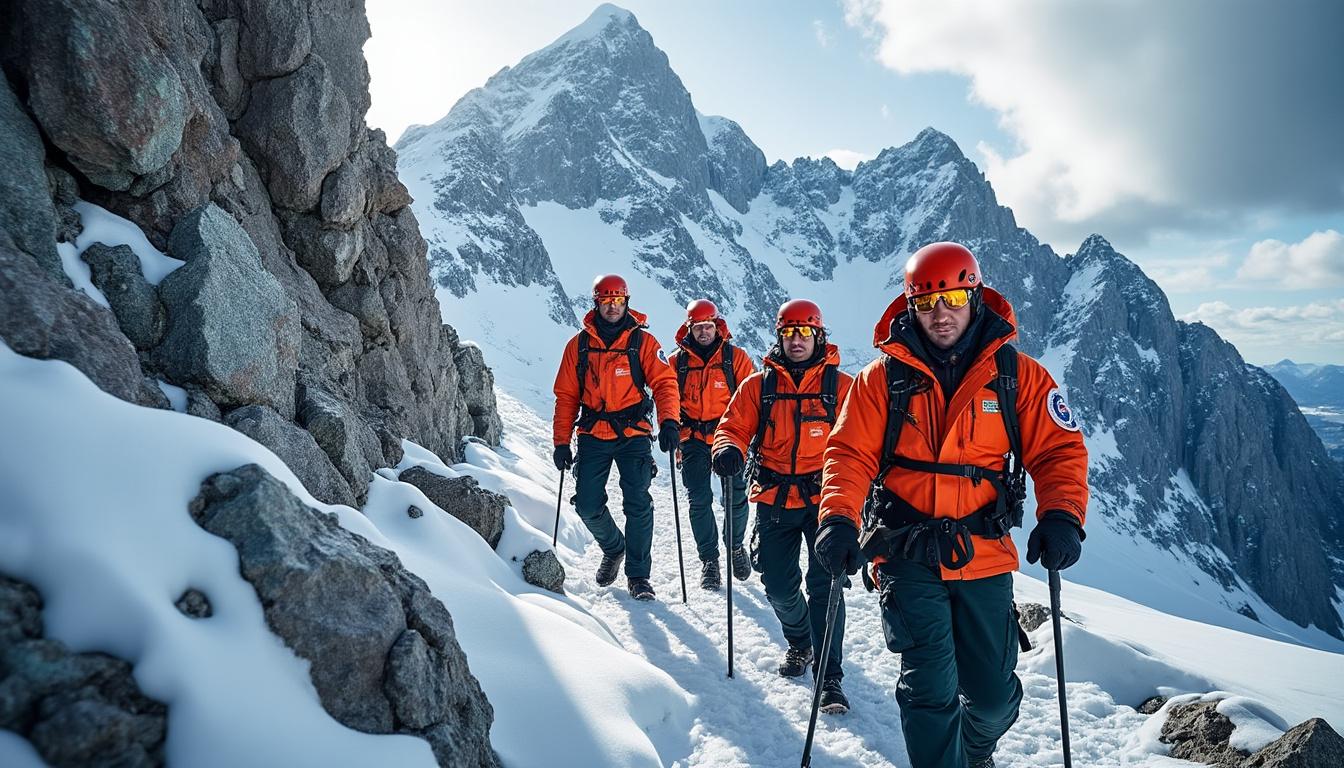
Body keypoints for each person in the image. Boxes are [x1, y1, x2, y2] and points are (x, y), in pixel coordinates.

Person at [815, 241, 1089, 768]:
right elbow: (848, 453)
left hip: (983, 551)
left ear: (975, 295)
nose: (940, 314)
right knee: (929, 690)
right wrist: (838, 519)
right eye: (926, 303)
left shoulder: (1017, 376)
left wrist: (1062, 516)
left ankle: (972, 751)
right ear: (910, 307)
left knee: (992, 697)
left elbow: (1058, 448)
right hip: (905, 552)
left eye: (953, 298)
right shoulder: (882, 379)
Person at [712, 299, 855, 714]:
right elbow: (733, 425)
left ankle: (829, 678)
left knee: (826, 586)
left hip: (827, 500)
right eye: (789, 333)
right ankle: (800, 640)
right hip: (774, 497)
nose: (796, 340)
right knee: (777, 583)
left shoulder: (841, 388)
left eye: (804, 332)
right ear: (779, 337)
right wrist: (727, 448)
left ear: (819, 336)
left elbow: (866, 436)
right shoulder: (759, 386)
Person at [552, 274, 681, 601]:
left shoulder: (644, 343)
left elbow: (665, 383)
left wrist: (669, 422)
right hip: (593, 433)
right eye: (607, 301)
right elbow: (567, 397)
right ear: (597, 303)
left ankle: (639, 577)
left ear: (627, 302)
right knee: (587, 504)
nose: (613, 307)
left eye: (618, 301)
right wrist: (561, 442)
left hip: (634, 433)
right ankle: (614, 547)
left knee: (638, 501)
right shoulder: (578, 345)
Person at [667, 299, 756, 591]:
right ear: (689, 328)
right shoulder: (675, 363)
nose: (704, 332)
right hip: (691, 439)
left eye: (709, 326)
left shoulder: (736, 359)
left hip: (729, 437)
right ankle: (709, 560)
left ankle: (735, 546)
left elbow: (752, 401)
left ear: (717, 326)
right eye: (698, 327)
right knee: (699, 499)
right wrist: (669, 428)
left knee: (736, 496)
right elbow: (665, 398)